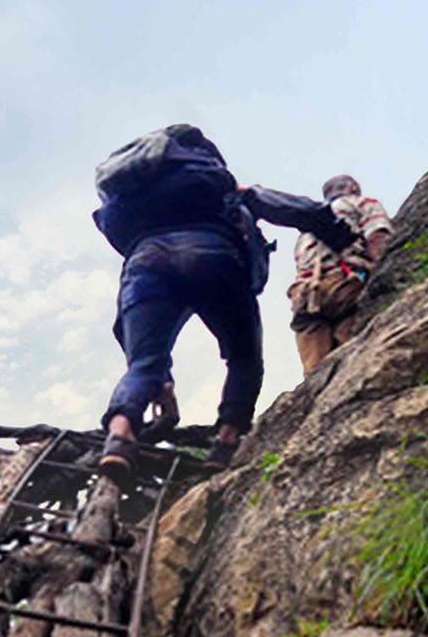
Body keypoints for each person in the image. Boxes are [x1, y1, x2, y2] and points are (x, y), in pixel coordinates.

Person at [89, 125, 360, 474]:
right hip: (215, 255)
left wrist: (163, 381)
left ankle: (119, 437)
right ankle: (226, 444)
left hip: (145, 263)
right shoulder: (222, 188)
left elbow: (128, 333)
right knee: (244, 357)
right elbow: (287, 207)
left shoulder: (133, 195)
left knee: (144, 365)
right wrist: (338, 235)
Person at [288, 174, 392, 372]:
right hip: (343, 287)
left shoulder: (307, 228)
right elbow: (377, 237)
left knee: (315, 370)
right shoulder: (361, 203)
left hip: (304, 297)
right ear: (353, 187)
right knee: (351, 360)